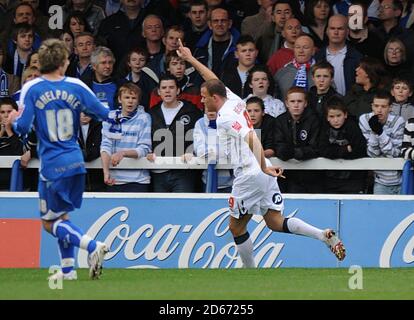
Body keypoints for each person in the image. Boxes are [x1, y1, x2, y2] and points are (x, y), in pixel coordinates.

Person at [177, 38, 346, 267]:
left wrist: (264, 166)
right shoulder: (233, 99)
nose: (202, 99)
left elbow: (250, 137)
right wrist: (189, 58)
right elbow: (212, 79)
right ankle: (322, 235)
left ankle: (250, 273)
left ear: (214, 98)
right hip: (260, 168)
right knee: (275, 222)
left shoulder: (226, 116)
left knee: (236, 226)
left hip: (251, 172)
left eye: (204, 96)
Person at [7, 39, 111, 280]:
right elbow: (104, 113)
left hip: (52, 163)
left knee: (48, 223)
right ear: (63, 63)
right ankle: (68, 271)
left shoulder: (32, 89)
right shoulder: (76, 85)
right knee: (62, 217)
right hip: (76, 159)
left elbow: (23, 128)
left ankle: (92, 246)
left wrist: (12, 119)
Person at [100, 82, 152, 192]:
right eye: (126, 97)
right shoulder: (110, 116)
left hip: (138, 181)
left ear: (138, 101)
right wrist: (106, 172)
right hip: (114, 180)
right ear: (119, 99)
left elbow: (144, 149)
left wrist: (123, 153)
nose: (130, 101)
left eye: (134, 98)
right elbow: (105, 145)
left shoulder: (144, 118)